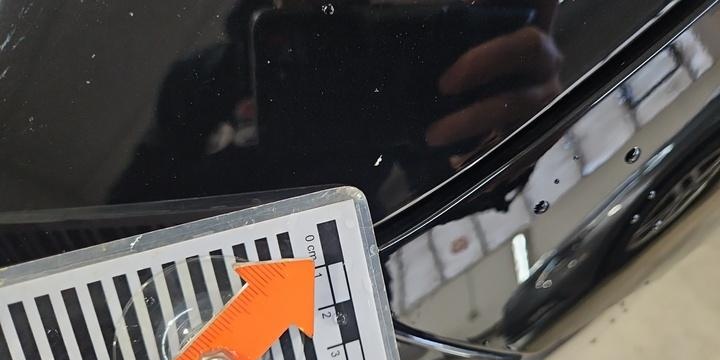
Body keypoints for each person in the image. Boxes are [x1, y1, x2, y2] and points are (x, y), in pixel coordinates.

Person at [110, 0, 562, 216]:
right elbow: (126, 215)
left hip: (361, 278)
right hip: (212, 296)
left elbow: (432, 196)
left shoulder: (420, 48)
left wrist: (512, 154)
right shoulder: (203, 79)